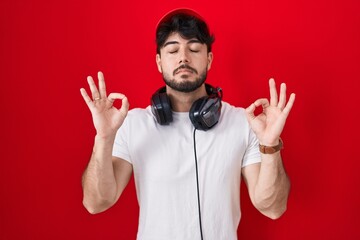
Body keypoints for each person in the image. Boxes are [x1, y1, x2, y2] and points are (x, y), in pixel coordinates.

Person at [80, 8, 295, 240]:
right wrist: (103, 138)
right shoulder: (132, 124)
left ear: (209, 59)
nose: (183, 57)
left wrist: (270, 145)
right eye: (173, 50)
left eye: (194, 48)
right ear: (159, 62)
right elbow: (96, 203)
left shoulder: (243, 122)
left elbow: (272, 208)